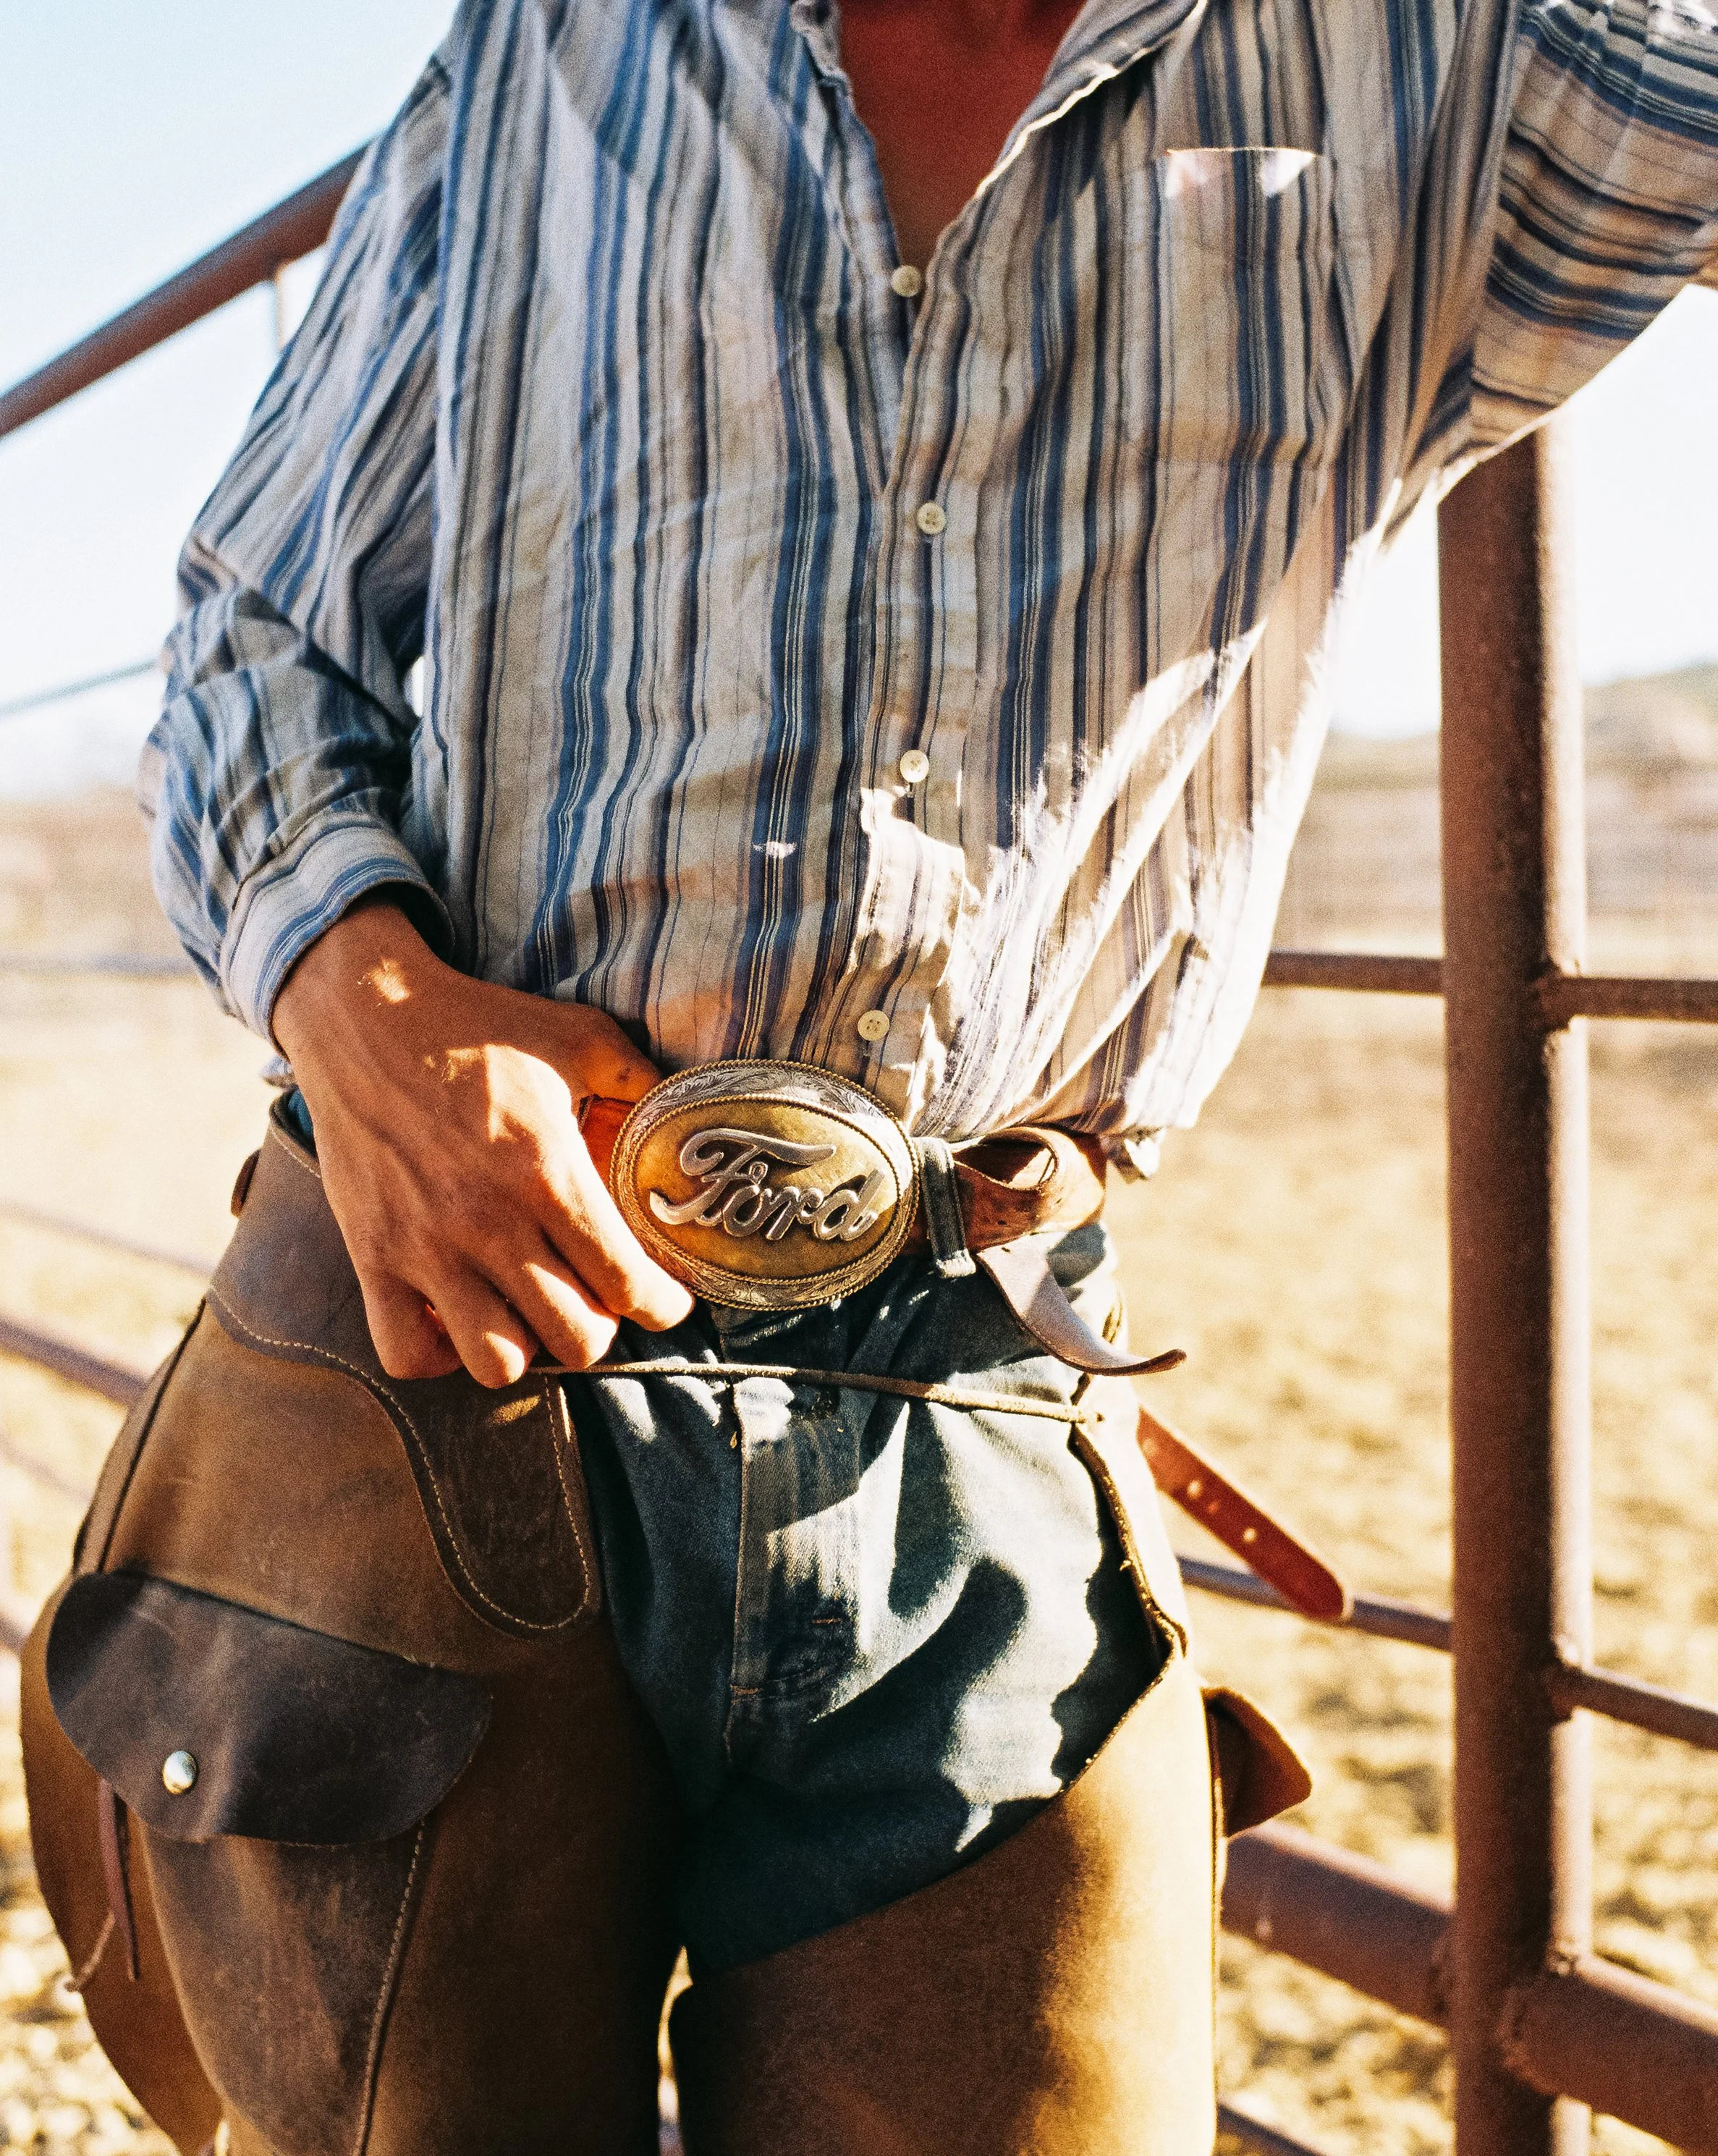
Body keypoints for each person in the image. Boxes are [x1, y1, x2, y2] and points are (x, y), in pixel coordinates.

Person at [25, 0, 1718, 2151]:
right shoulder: (560, 50)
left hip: (978, 1372)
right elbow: (260, 625)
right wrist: (363, 1010)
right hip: (440, 1317)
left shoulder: (1447, 63)